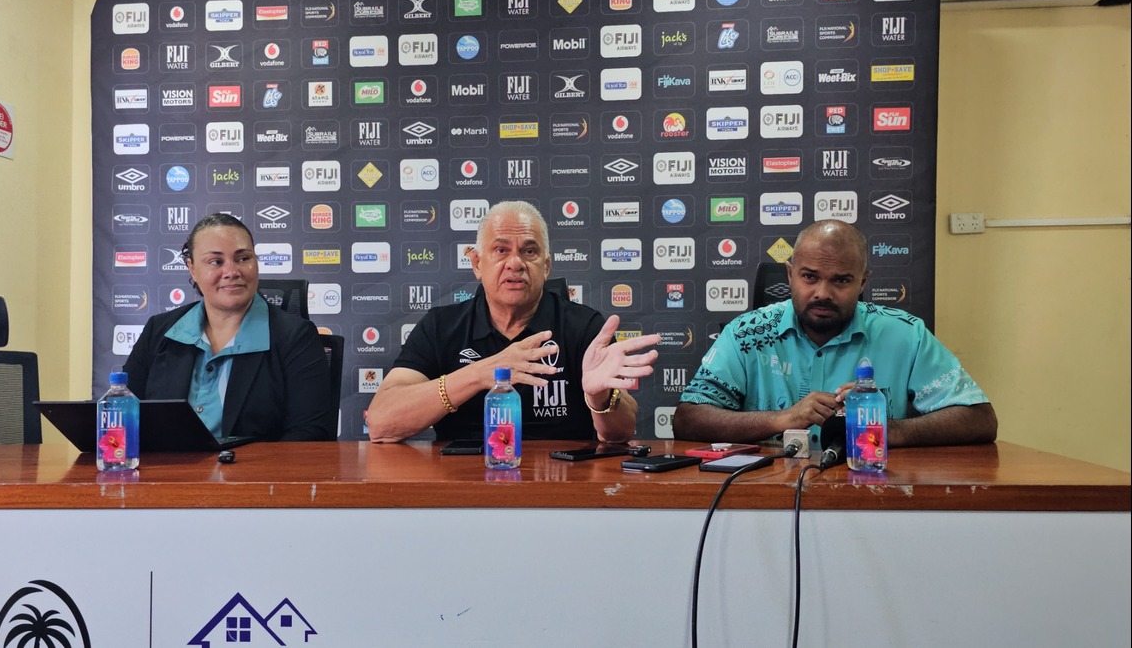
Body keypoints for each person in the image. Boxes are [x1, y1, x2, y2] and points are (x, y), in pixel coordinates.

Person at [673, 220, 997, 447]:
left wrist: (887, 429)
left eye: (840, 280)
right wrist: (783, 419)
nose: (822, 293)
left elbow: (980, 419)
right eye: (809, 277)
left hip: (870, 495)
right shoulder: (746, 333)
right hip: (765, 497)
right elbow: (688, 420)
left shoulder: (905, 335)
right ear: (790, 275)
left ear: (863, 282)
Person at [368, 200, 661, 443]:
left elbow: (621, 433)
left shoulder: (585, 327)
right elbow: (381, 422)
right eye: (501, 250)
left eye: (529, 251)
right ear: (477, 263)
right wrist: (479, 374)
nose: (515, 263)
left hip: (563, 482)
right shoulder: (440, 326)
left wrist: (599, 398)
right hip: (461, 483)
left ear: (546, 267)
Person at [124, 213, 335, 441]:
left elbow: (309, 434)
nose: (232, 271)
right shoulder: (158, 330)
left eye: (243, 258)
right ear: (192, 269)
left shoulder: (296, 336)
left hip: (256, 465)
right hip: (168, 464)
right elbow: (124, 416)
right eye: (216, 262)